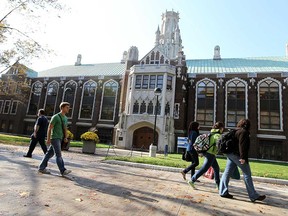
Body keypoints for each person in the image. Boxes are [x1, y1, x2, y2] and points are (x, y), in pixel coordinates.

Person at [219, 119, 266, 202]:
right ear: (247, 125)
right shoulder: (243, 132)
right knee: (247, 174)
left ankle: (223, 192)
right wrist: (243, 158)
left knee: (227, 173)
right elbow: (242, 146)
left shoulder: (236, 131)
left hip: (230, 154)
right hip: (237, 155)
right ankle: (253, 195)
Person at [187, 122, 224, 189]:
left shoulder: (211, 133)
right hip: (211, 154)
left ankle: (218, 184)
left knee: (216, 168)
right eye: (222, 129)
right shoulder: (217, 135)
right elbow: (219, 144)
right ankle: (192, 180)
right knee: (204, 168)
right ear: (221, 128)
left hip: (208, 153)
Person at [38, 102, 71, 176]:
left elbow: (65, 128)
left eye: (69, 107)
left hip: (60, 138)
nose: (68, 109)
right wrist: (48, 139)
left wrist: (65, 137)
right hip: (54, 138)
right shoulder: (55, 117)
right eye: (67, 107)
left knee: (49, 154)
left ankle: (41, 168)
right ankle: (63, 170)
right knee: (58, 154)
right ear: (62, 108)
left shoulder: (65, 118)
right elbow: (49, 128)